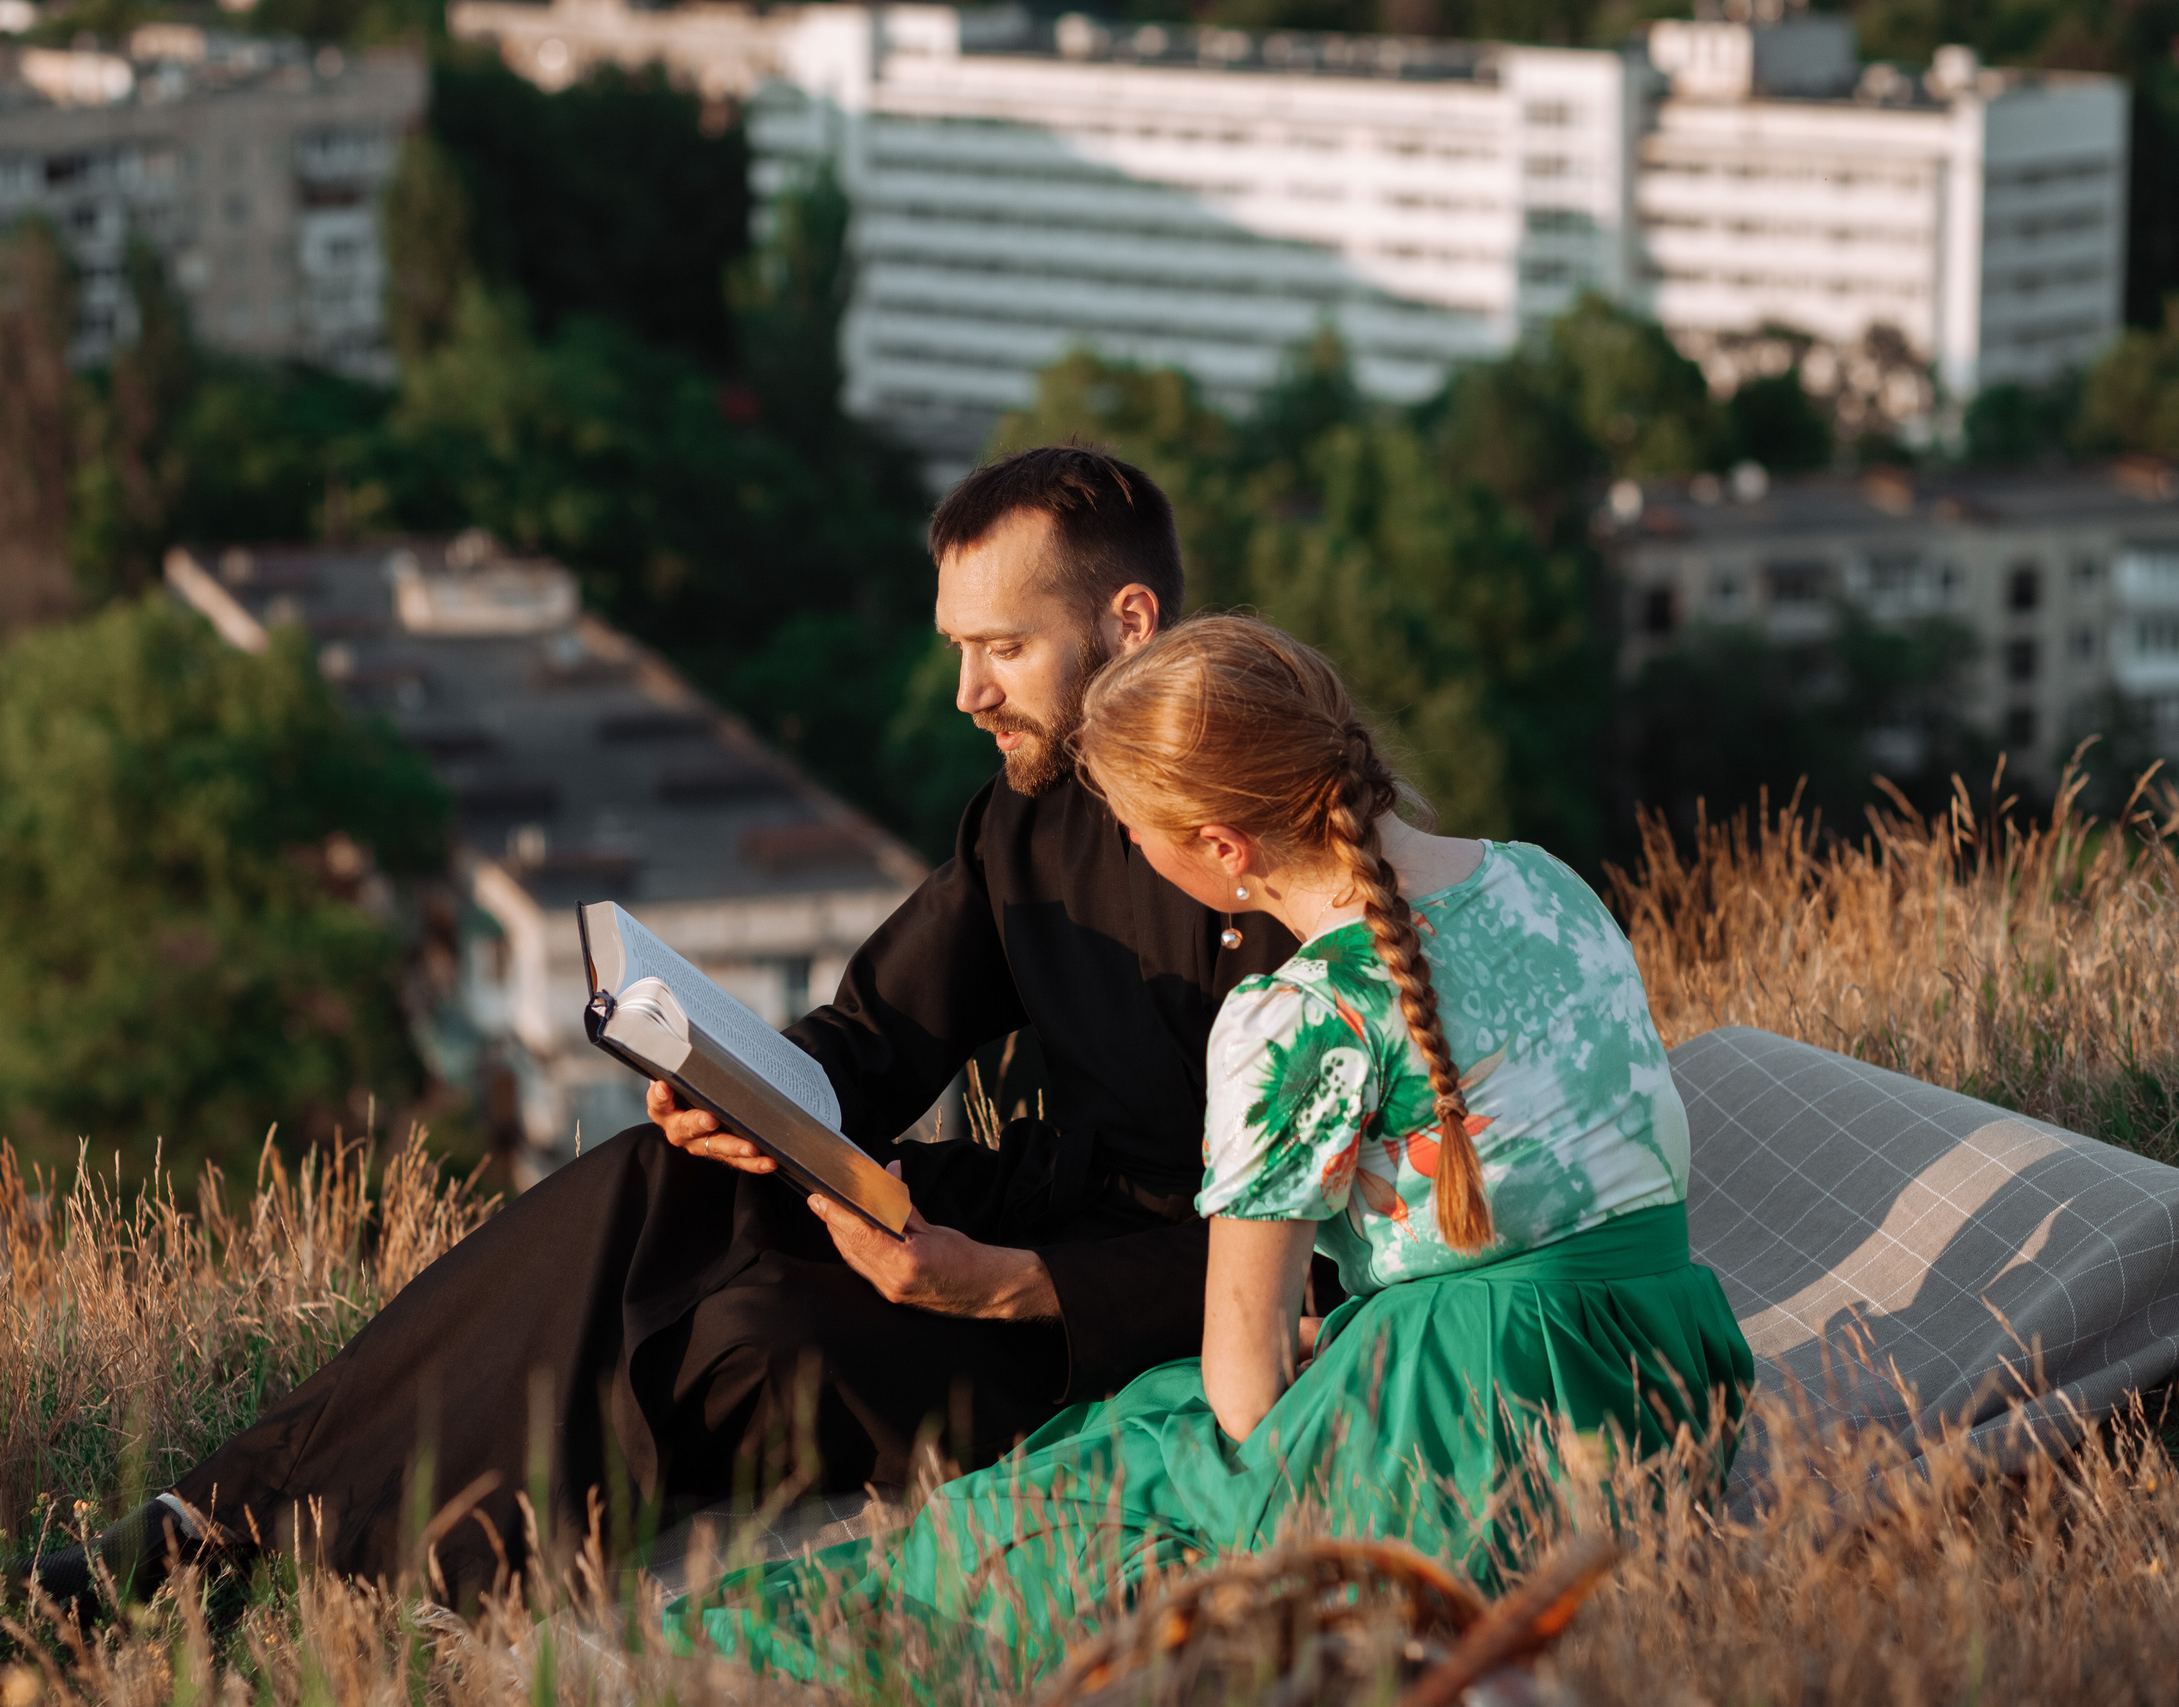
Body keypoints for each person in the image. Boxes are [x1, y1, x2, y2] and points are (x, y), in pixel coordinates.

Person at [21, 447, 1309, 1615]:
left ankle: (362, 1564)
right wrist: (732, 1083)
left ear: (1128, 621)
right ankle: (213, 1516)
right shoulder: (1024, 819)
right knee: (661, 1176)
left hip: (1126, 1308)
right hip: (1012, 1216)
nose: (967, 692)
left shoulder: (1274, 859)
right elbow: (874, 1040)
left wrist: (1016, 1284)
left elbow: (1321, 1263)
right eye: (956, 648)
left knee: (728, 1344)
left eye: (1003, 649)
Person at [669, 614, 1757, 1685]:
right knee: (1145, 1422)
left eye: (1135, 831)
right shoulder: (1543, 880)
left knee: (1048, 1510)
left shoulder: (1293, 1018)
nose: (1132, 852)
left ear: (1225, 849)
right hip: (1660, 1377)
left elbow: (1244, 1393)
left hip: (1458, 1422)